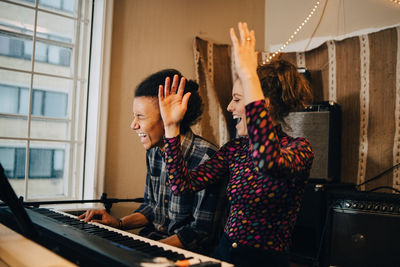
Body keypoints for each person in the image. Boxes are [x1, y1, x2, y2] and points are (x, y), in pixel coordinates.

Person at [158, 22, 314, 267]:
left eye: (238, 99)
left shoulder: (299, 149)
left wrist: (250, 75)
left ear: (264, 104)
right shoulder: (235, 149)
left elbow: (268, 161)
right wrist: (171, 128)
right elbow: (181, 185)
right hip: (225, 256)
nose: (230, 107)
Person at [78, 69, 225, 254]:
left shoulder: (207, 157)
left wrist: (143, 248)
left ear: (168, 117)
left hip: (186, 255)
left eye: (140, 116)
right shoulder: (154, 151)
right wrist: (119, 223)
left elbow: (199, 233)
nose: (133, 125)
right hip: (152, 242)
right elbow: (151, 207)